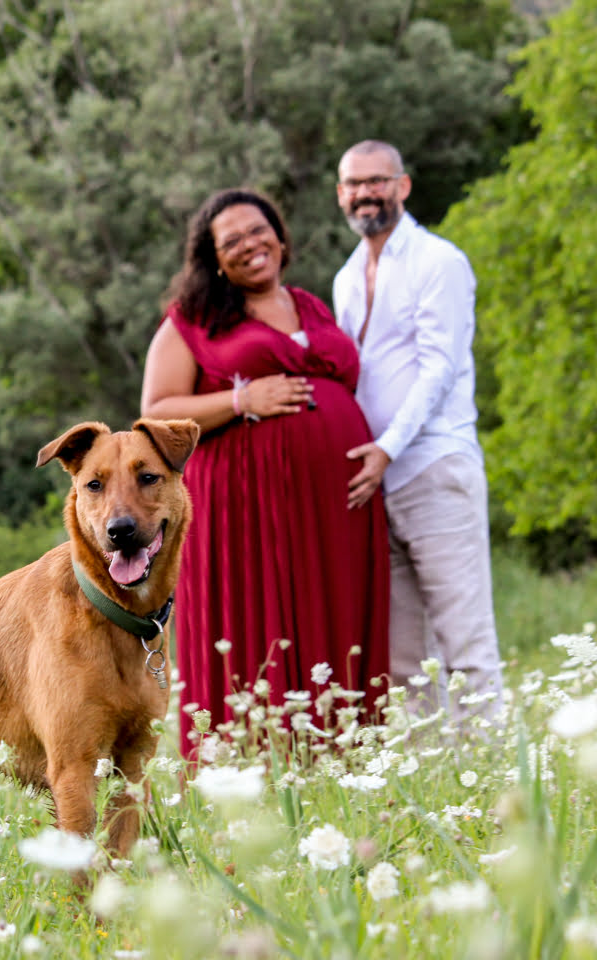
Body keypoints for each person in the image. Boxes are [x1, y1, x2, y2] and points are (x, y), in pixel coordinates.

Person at [140, 187, 390, 755]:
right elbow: (155, 410)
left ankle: (345, 761)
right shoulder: (194, 321)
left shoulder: (313, 305)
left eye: (259, 230)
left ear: (280, 236)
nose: (250, 245)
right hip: (249, 507)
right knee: (259, 629)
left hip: (338, 507)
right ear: (214, 259)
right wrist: (241, 401)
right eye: (231, 241)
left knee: (338, 622)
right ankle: (253, 766)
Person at [333, 140, 504, 726]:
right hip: (376, 485)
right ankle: (435, 788)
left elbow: (439, 369)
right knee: (404, 660)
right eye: (354, 184)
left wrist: (386, 447)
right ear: (340, 195)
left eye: (377, 181)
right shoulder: (348, 277)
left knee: (466, 647)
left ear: (403, 186)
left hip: (434, 467)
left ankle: (498, 786)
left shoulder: (440, 262)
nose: (365, 194)